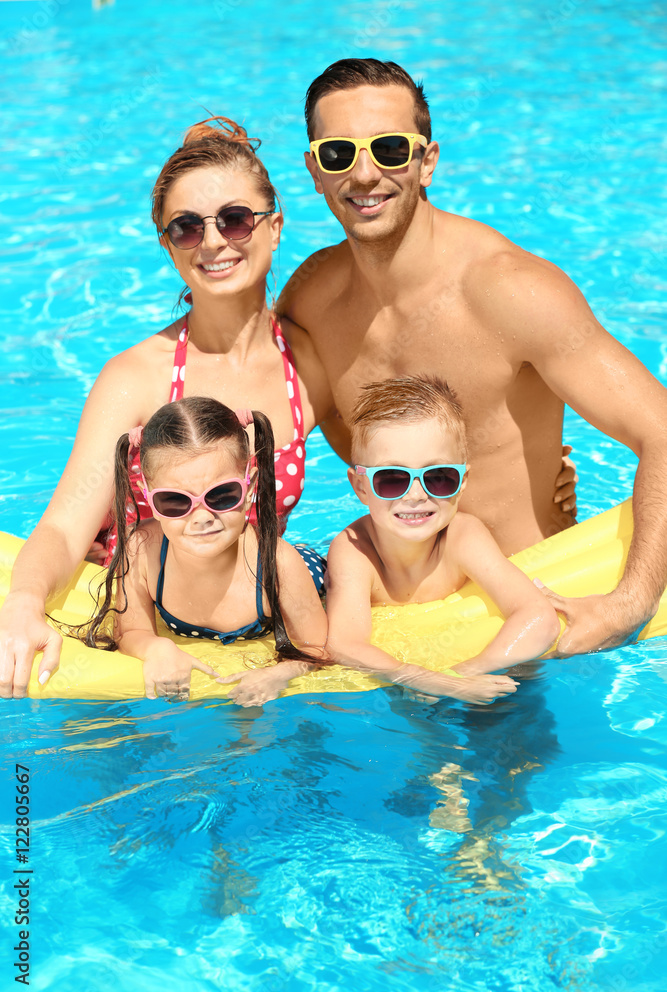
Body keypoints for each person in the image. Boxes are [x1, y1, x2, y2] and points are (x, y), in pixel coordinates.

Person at [0, 113, 573, 698]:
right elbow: (65, 527)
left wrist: (540, 482)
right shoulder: (136, 377)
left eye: (235, 219)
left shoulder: (310, 364)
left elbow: (396, 463)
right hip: (145, 618)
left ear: (273, 228)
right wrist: (23, 605)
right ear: (168, 246)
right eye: (187, 228)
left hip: (265, 613)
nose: (216, 241)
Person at [278, 57, 667, 658]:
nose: (363, 174)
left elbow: (661, 431)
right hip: (390, 626)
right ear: (314, 171)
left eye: (388, 149)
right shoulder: (311, 302)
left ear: (427, 160)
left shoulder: (511, 292)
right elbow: (244, 430)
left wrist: (631, 602)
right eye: (337, 155)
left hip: (526, 619)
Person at [325, 375, 560, 703]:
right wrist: (424, 680)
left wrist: (466, 674)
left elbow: (538, 616)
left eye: (438, 478)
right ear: (360, 487)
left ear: (462, 480)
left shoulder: (462, 536)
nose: (416, 495)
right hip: (397, 691)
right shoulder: (354, 550)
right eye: (392, 479)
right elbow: (345, 644)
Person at [80, 397, 327, 704]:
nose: (201, 517)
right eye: (175, 501)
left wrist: (278, 673)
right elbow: (130, 632)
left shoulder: (279, 563)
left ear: (249, 488)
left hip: (310, 572)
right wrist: (159, 648)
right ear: (149, 498)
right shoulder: (143, 551)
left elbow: (317, 649)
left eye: (222, 495)